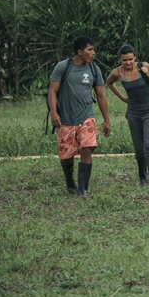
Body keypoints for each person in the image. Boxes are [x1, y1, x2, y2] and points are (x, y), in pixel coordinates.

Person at [48, 36, 111, 196]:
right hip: (66, 119)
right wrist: (54, 113)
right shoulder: (63, 67)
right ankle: (70, 182)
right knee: (67, 156)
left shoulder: (93, 69)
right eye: (90, 50)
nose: (93, 53)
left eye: (93, 49)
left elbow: (101, 96)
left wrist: (107, 120)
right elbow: (52, 91)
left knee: (86, 150)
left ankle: (83, 189)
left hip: (86, 117)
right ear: (80, 52)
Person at [105, 45, 149, 186]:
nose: (128, 62)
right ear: (120, 59)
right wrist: (122, 97)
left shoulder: (144, 66)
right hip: (133, 112)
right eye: (125, 60)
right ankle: (142, 177)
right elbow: (109, 82)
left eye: (130, 59)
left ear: (135, 57)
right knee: (138, 147)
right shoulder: (117, 72)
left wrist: (147, 74)